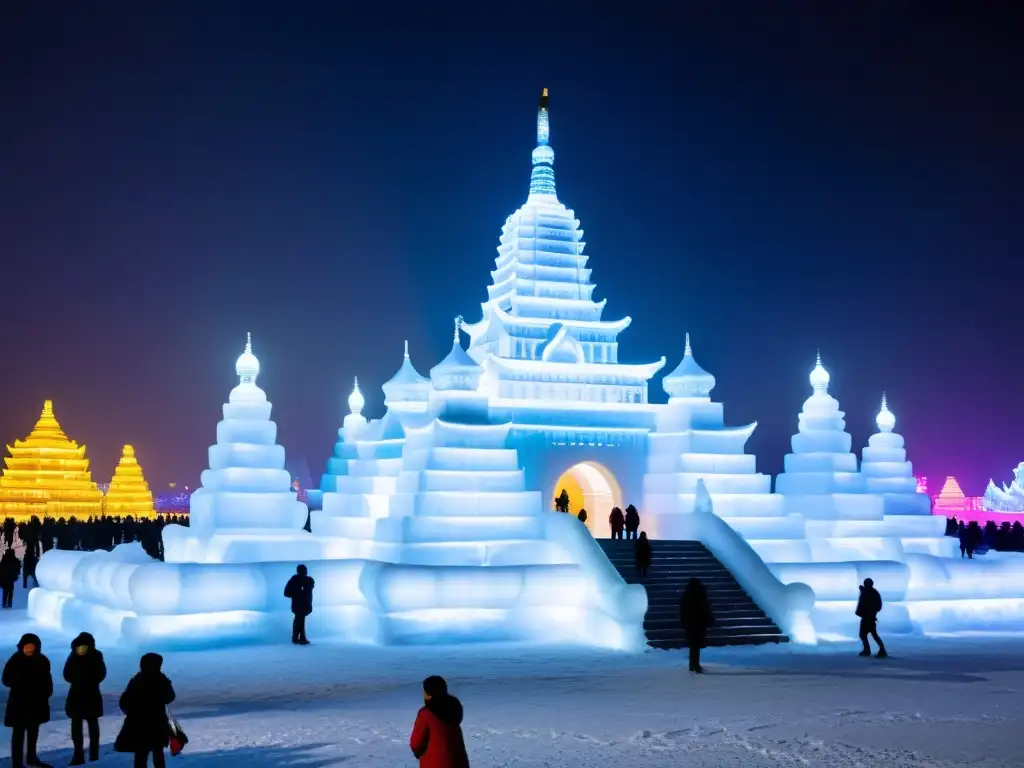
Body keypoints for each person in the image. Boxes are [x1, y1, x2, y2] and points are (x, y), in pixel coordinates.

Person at [116, 653, 176, 768]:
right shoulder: (161, 679)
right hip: (157, 722)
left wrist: (131, 711)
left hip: (139, 723)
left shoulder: (137, 679)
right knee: (158, 753)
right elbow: (170, 697)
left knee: (141, 754)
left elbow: (125, 701)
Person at [3, 632, 53, 768]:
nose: (29, 650)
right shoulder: (15, 660)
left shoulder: (42, 660)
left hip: (36, 703)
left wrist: (46, 694)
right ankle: (17, 763)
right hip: (19, 704)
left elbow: (47, 680)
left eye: (32, 647)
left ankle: (31, 758)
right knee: (18, 734)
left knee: (33, 732)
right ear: (21, 647)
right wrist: (19, 681)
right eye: (26, 647)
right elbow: (6, 680)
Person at [64, 632, 107, 764]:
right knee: (78, 727)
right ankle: (79, 755)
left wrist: (87, 680)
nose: (81, 650)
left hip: (89, 695)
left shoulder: (96, 657)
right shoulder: (73, 657)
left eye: (84, 647)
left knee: (91, 726)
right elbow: (67, 675)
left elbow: (101, 674)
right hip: (77, 696)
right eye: (79, 648)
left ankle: (93, 755)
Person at [410, 675, 470, 768]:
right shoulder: (454, 707)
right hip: (459, 762)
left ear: (429, 695)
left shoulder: (426, 714)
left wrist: (417, 752)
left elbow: (416, 743)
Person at [679, 578, 714, 673]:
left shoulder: (687, 595)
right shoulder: (701, 594)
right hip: (699, 622)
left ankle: (693, 664)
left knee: (693, 645)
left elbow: (683, 611)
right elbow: (706, 608)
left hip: (691, 623)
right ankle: (696, 664)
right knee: (696, 645)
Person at [855, 578, 887, 658]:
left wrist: (860, 612)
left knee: (863, 634)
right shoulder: (874, 592)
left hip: (866, 617)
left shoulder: (866, 593)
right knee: (873, 634)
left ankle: (867, 650)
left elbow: (861, 604)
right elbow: (879, 605)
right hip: (871, 617)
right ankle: (881, 650)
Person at [284, 564, 315, 645]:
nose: (304, 572)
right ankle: (299, 638)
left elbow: (309, 590)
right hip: (298, 605)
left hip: (304, 604)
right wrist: (297, 593)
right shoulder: (295, 579)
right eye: (303, 571)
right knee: (299, 620)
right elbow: (286, 592)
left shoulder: (307, 580)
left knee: (299, 620)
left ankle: (298, 638)